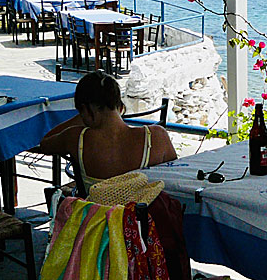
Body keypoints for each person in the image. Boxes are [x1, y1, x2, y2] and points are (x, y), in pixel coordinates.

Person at [38, 70, 177, 194]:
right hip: (143, 221)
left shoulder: (76, 137)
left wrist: (83, 116)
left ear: (85, 109)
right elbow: (177, 177)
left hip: (96, 220)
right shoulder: (156, 136)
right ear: (120, 106)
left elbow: (45, 143)